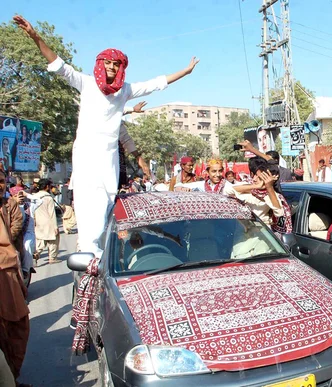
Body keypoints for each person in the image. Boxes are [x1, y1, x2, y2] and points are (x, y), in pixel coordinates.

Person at [14, 15, 199, 258]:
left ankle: (101, 251)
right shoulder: (86, 83)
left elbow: (156, 83)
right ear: (100, 64)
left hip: (109, 153)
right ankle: (89, 253)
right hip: (87, 151)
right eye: (108, 63)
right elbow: (59, 65)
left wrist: (185, 72)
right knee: (88, 200)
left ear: (121, 68)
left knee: (107, 202)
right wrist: (36, 37)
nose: (111, 68)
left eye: (116, 64)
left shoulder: (125, 91)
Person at [0, 168, 29, 387]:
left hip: (9, 271)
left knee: (18, 326)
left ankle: (12, 376)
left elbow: (17, 226)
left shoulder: (8, 206)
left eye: (2, 181)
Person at [32, 179, 59, 264]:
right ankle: (52, 258)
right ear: (47, 187)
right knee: (53, 240)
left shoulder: (34, 197)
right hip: (49, 222)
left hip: (38, 222)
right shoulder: (48, 198)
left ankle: (36, 254)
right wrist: (55, 227)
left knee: (40, 240)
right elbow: (52, 213)